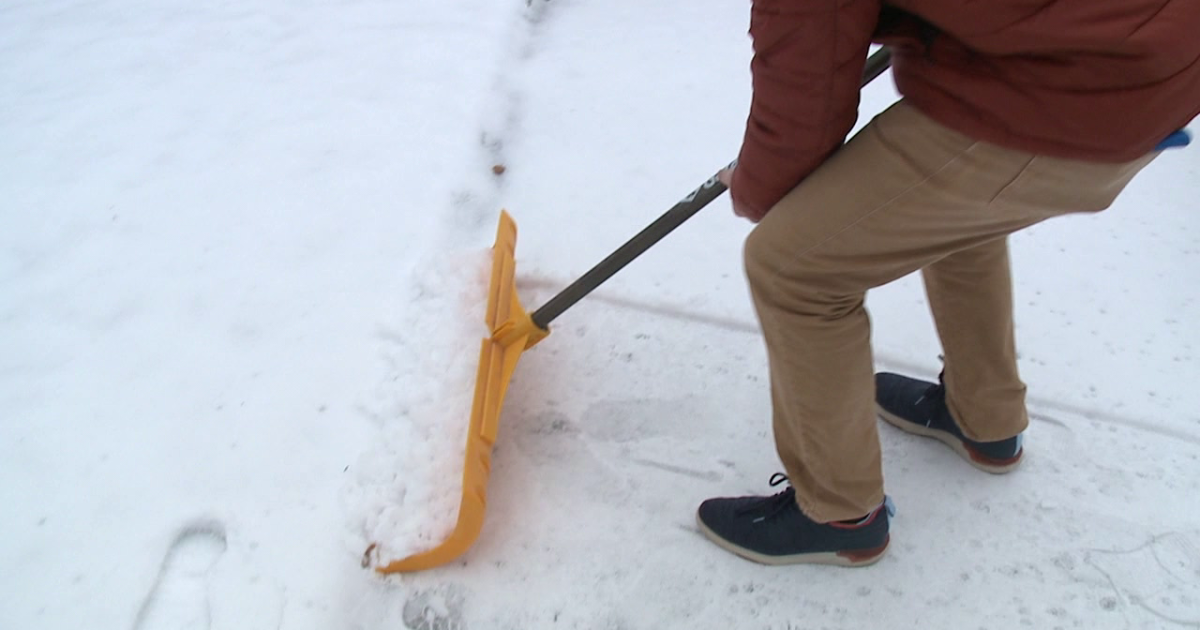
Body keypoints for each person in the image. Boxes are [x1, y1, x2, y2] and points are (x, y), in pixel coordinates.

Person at [696, 1, 1200, 566]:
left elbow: (804, 101)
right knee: (952, 209)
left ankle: (838, 512)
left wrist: (755, 185)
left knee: (792, 268)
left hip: (1070, 92)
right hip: (1146, 72)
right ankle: (983, 417)